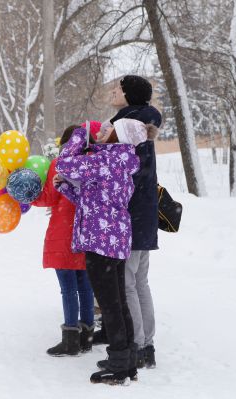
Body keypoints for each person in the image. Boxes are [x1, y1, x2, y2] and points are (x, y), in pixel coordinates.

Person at [54, 119, 148, 385]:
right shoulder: (119, 161)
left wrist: (78, 136)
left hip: (100, 241)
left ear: (119, 136)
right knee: (118, 302)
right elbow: (94, 201)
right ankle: (127, 361)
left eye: (107, 130)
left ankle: (119, 366)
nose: (100, 131)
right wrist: (66, 186)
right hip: (114, 239)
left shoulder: (105, 161)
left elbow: (64, 162)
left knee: (110, 305)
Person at [94, 75, 162, 369]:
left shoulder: (128, 126)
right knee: (140, 281)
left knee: (128, 283)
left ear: (130, 95)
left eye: (117, 89)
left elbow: (125, 171)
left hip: (129, 213)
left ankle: (138, 344)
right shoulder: (142, 122)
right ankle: (147, 346)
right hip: (143, 211)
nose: (112, 91)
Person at [32, 123, 100, 357]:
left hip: (64, 229)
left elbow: (49, 197)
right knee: (85, 283)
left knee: (67, 287)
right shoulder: (95, 162)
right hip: (89, 229)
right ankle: (87, 336)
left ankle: (71, 340)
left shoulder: (60, 163)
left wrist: (31, 195)